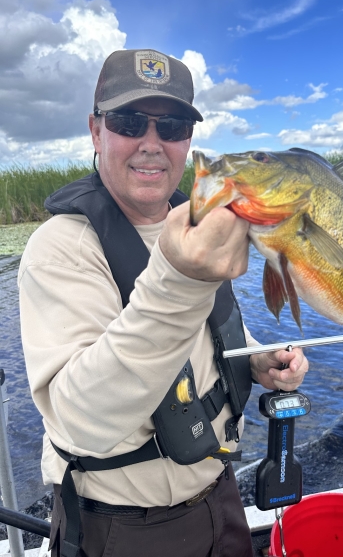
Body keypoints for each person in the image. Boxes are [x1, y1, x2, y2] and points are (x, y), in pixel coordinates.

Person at [18, 49, 308, 557]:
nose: (151, 144)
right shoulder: (60, 247)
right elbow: (77, 419)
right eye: (129, 122)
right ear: (96, 131)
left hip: (221, 496)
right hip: (123, 529)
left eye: (171, 127)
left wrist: (255, 354)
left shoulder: (200, 218)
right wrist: (180, 277)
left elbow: (204, 328)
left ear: (188, 141)